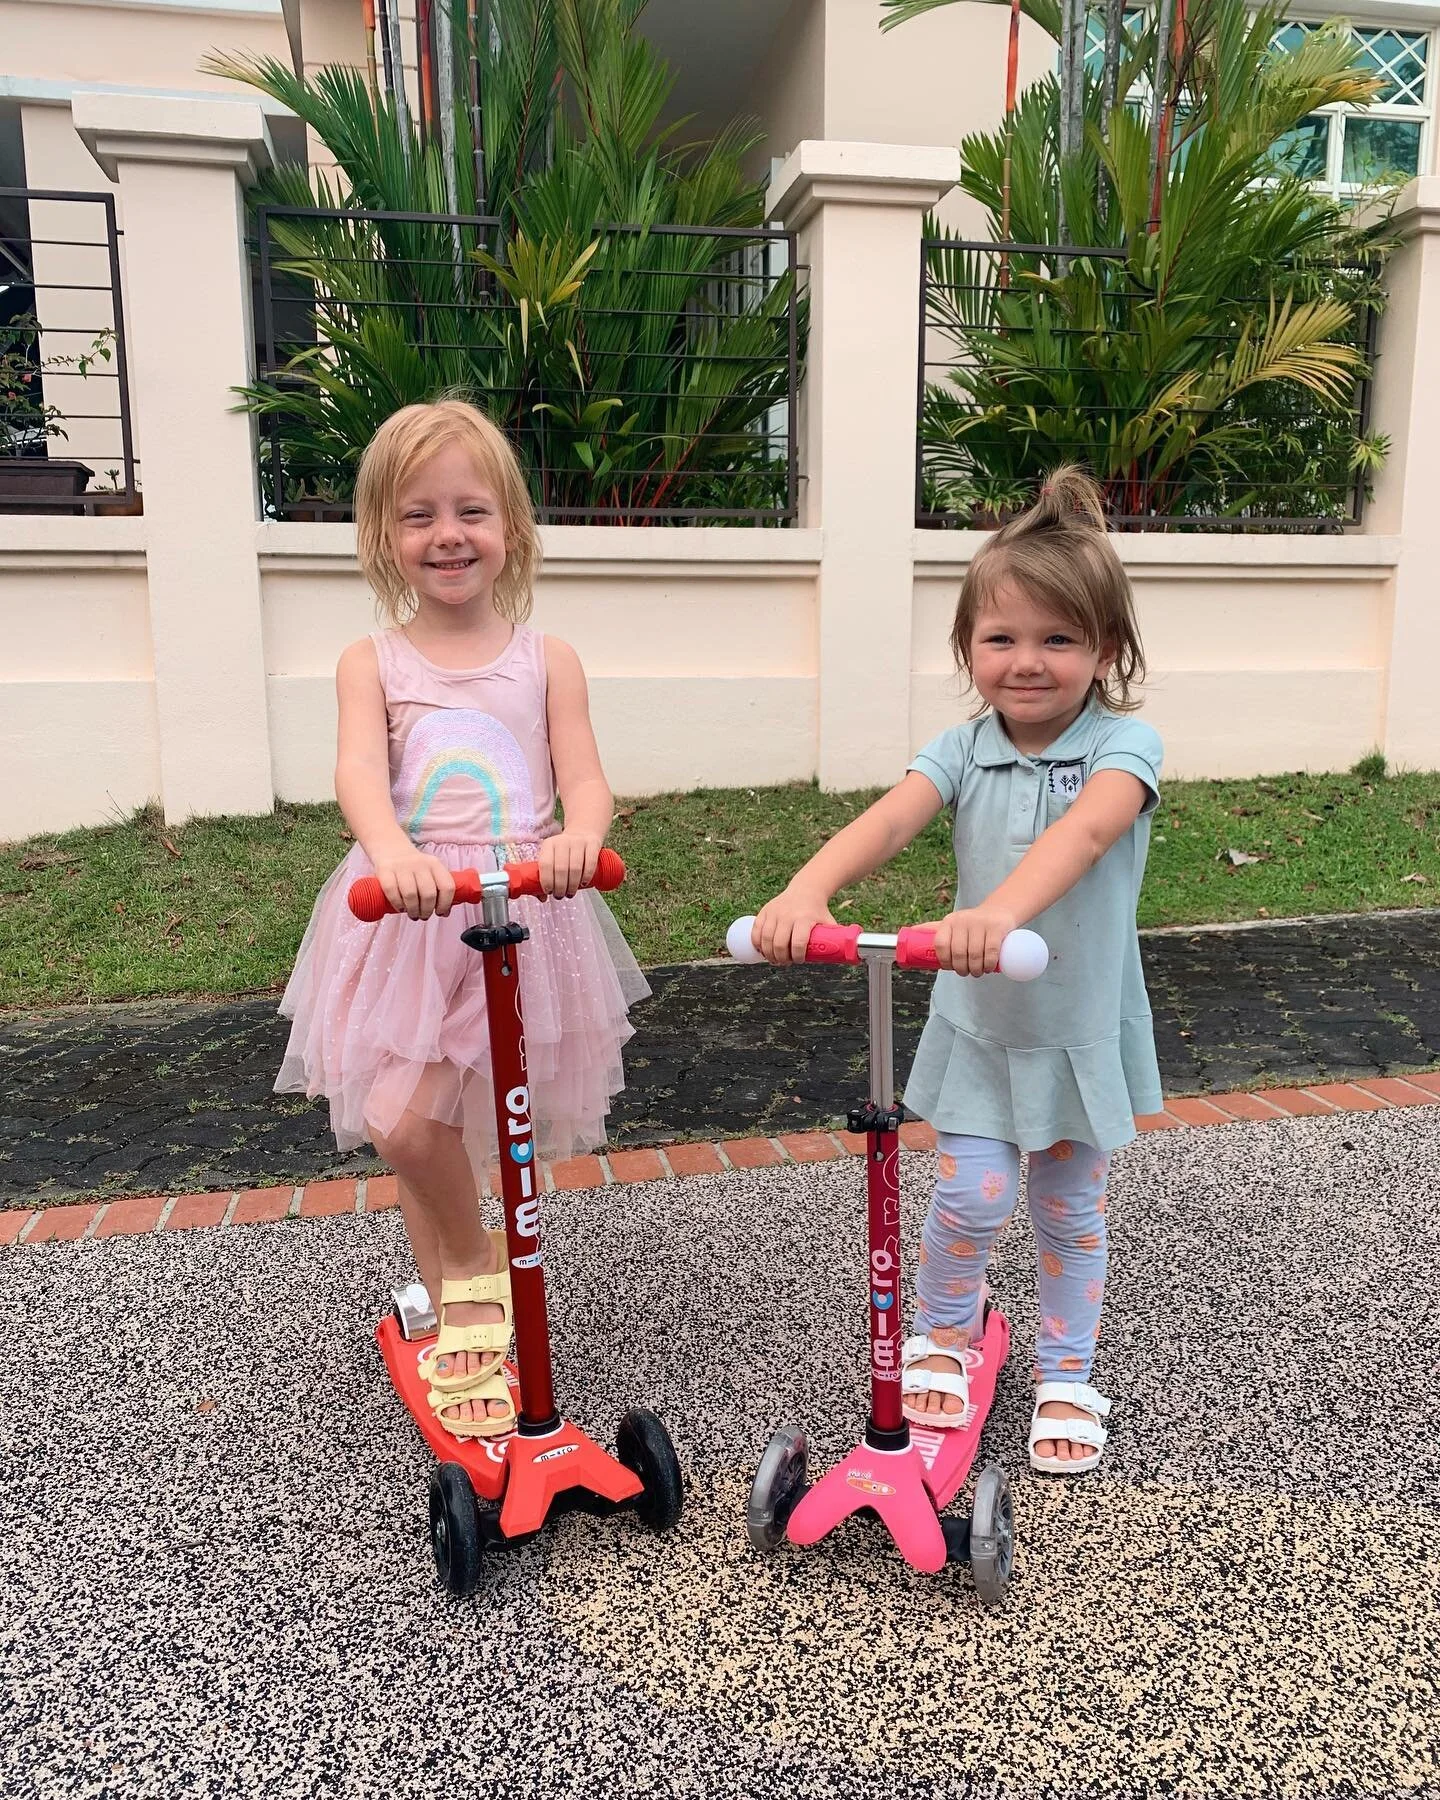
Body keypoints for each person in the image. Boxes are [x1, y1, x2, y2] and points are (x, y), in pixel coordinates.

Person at [750, 466, 1162, 1475]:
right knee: (972, 1195)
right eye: (1002, 639)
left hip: (1072, 1031)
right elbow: (890, 819)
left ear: (1106, 650)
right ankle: (945, 1329)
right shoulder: (963, 749)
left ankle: (1067, 1371)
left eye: (1059, 639)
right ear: (968, 649)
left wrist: (992, 912)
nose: (1028, 662)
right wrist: (807, 893)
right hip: (983, 1025)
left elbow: (1088, 831)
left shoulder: (1126, 745)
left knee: (1066, 1208)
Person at [276, 399, 649, 1439]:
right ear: (383, 538)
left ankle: (465, 1305)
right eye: (419, 516)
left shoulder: (546, 658)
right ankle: (472, 1283)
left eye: (471, 511)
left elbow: (583, 775)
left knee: (418, 1125)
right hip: (406, 913)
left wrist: (579, 836)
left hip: (518, 913)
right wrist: (392, 853)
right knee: (405, 1123)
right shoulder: (375, 662)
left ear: (512, 529)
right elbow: (358, 770)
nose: (448, 534)